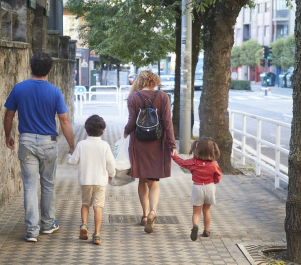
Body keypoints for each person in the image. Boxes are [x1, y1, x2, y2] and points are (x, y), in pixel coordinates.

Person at [4, 52, 75, 242]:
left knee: (29, 186)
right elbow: (64, 120)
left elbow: (9, 115)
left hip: (26, 141)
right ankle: (48, 224)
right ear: (50, 71)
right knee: (48, 185)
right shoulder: (54, 91)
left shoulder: (19, 88)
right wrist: (72, 145)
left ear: (30, 68)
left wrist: (8, 135)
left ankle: (31, 231)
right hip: (48, 142)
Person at [123, 70, 177, 234]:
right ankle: (154, 211)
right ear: (155, 81)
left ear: (140, 81)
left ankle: (145, 216)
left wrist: (125, 133)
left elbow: (132, 121)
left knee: (142, 180)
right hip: (157, 143)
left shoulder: (133, 97)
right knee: (154, 182)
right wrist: (172, 145)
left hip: (139, 143)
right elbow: (167, 123)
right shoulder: (163, 97)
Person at [66, 115, 116, 245]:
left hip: (85, 181)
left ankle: (83, 225)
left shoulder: (82, 144)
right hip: (100, 181)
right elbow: (111, 163)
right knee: (98, 207)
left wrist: (68, 155)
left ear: (86, 129)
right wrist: (111, 173)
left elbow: (73, 161)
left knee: (85, 204)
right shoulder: (104, 145)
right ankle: (97, 234)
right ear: (103, 130)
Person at [171, 137, 222, 241]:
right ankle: (206, 230)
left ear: (197, 149)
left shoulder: (194, 162)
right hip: (210, 187)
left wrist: (174, 156)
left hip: (197, 187)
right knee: (207, 210)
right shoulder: (214, 164)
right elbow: (218, 176)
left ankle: (195, 226)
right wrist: (214, 182)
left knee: (196, 212)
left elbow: (182, 163)